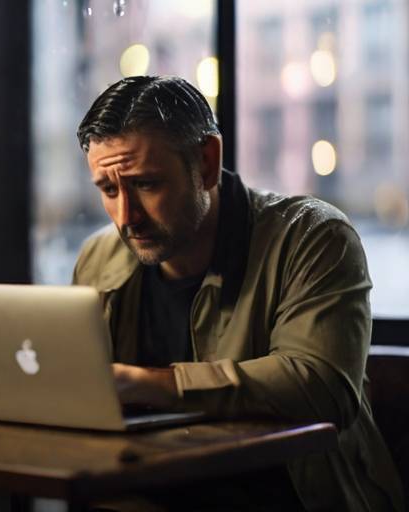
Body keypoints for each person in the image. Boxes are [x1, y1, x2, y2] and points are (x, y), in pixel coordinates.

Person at [73, 75, 404, 511]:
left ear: (206, 162)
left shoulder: (313, 238)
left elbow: (323, 388)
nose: (125, 217)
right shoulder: (100, 256)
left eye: (146, 184)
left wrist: (156, 384)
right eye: (109, 189)